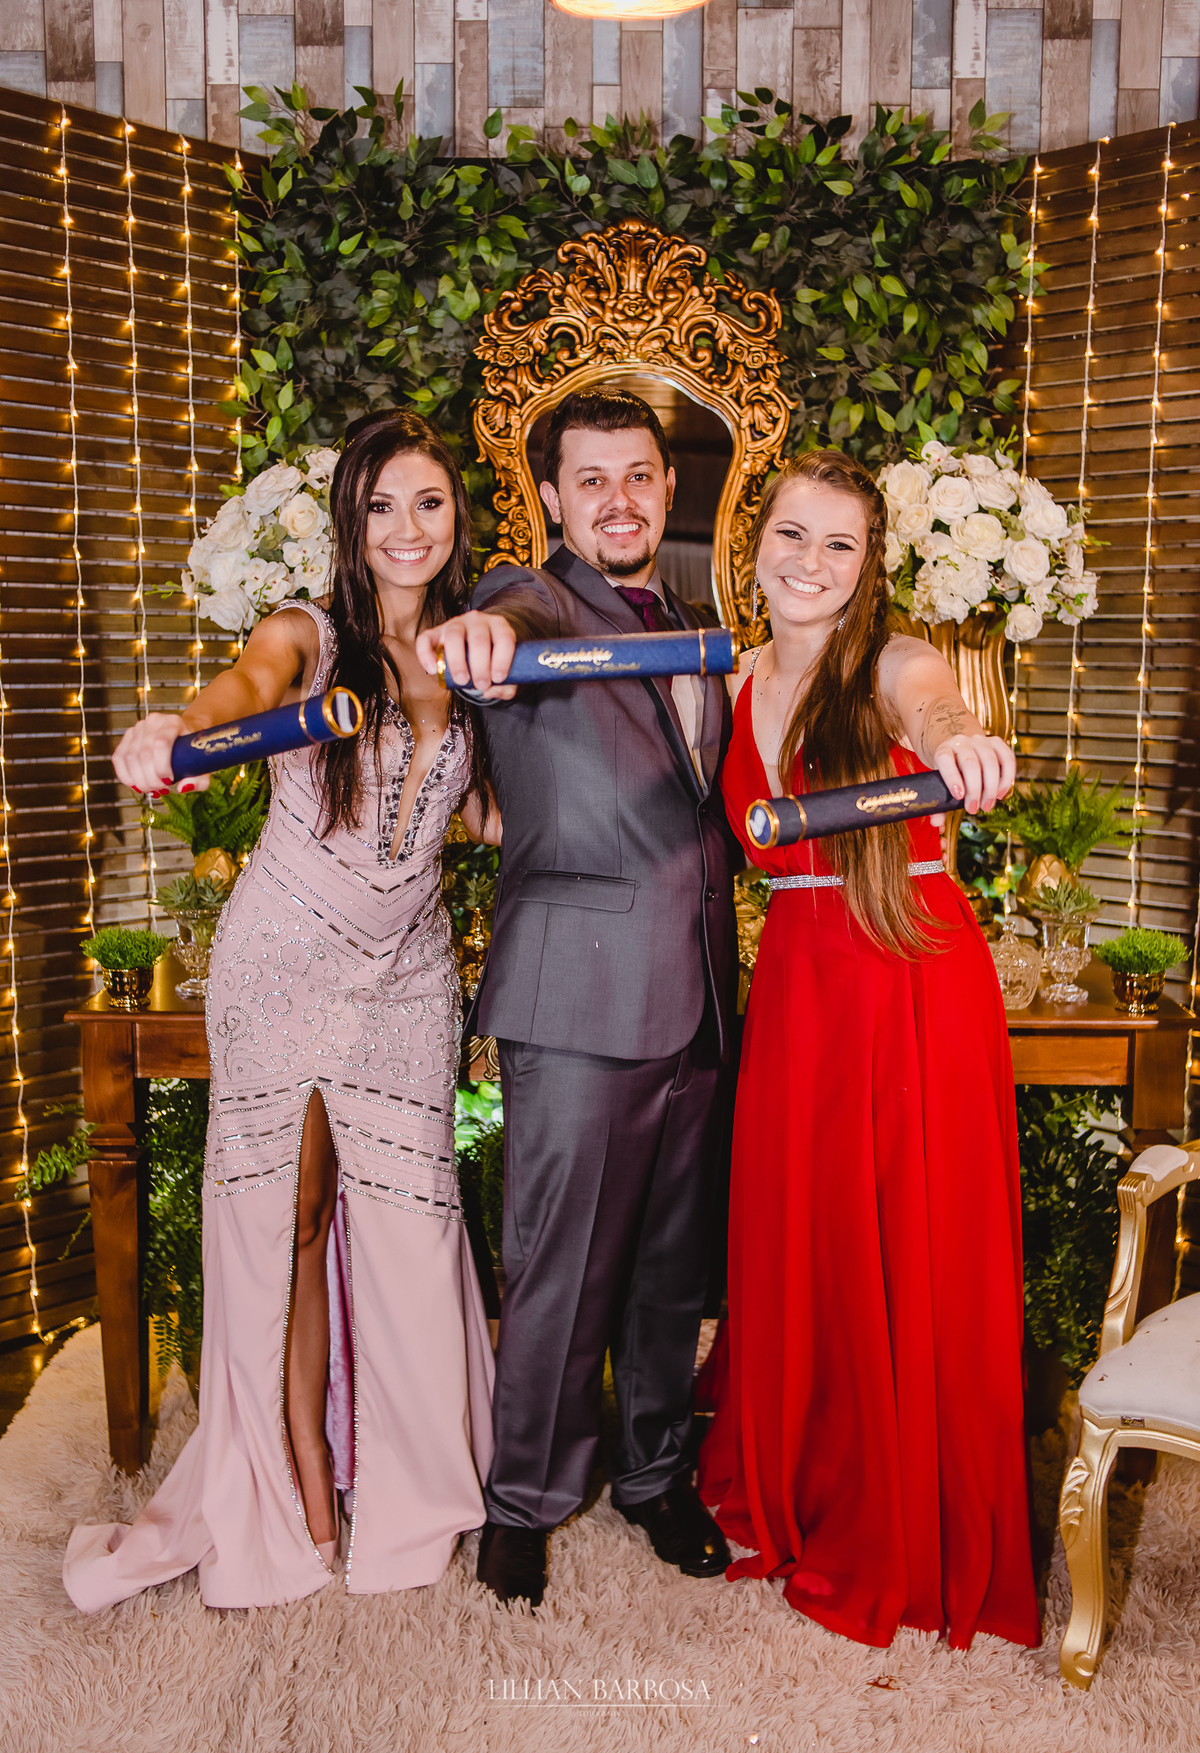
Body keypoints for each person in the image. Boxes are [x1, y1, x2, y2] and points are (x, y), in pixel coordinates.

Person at [63, 410, 497, 1612]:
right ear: (350, 522)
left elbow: (480, 813)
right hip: (287, 958)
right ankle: (297, 1462)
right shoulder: (304, 634)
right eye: (381, 505)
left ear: (456, 518)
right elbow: (238, 692)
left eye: (428, 503)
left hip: (410, 976)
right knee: (291, 1222)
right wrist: (177, 729)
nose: (406, 528)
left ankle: (414, 1490)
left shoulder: (472, 653)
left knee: (412, 1226)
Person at [696, 447, 1041, 1651]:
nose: (810, 562)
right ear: (756, 544)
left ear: (868, 564)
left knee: (910, 1237)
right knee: (806, 1232)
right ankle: (802, 1471)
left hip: (909, 977)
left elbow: (937, 708)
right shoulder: (730, 679)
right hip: (799, 986)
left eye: (838, 544)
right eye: (793, 535)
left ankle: (901, 1514)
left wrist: (963, 740)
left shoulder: (893, 662)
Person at [415, 387, 740, 1609]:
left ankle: (654, 1475)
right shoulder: (532, 598)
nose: (618, 499)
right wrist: (480, 636)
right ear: (551, 498)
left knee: (669, 1266)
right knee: (558, 1267)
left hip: (700, 997)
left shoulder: (697, 620)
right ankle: (525, 1499)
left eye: (638, 475)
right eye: (590, 479)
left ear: (668, 486)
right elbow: (498, 624)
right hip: (576, 999)